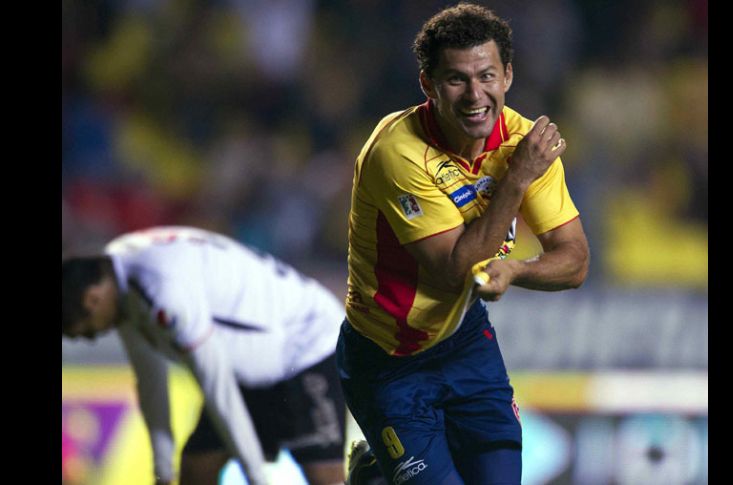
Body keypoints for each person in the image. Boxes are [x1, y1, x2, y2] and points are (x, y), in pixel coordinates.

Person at [337, 3, 590, 485]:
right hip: (389, 359)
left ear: (508, 75)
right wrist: (516, 180)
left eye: (487, 75)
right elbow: (453, 270)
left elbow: (574, 261)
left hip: (465, 341)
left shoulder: (523, 141)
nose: (475, 95)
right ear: (427, 85)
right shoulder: (399, 151)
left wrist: (517, 270)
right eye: (456, 79)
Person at [62, 226, 348, 485]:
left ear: (92, 299)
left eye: (85, 331)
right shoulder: (121, 275)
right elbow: (151, 380)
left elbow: (216, 386)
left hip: (305, 342)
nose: (91, 338)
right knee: (196, 471)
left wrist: (256, 477)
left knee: (324, 477)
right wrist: (162, 473)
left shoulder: (162, 290)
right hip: (252, 366)